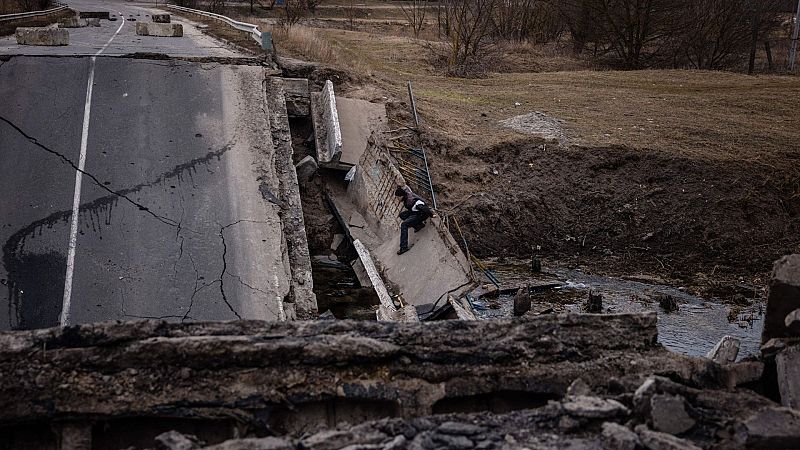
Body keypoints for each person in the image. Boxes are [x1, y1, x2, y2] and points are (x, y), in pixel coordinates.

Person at [394, 185, 433, 255]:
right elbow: (406, 187)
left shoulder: (411, 200)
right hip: (414, 212)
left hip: (420, 214)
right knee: (402, 215)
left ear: (401, 196)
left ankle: (403, 247)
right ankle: (419, 226)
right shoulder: (406, 194)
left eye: (397, 197)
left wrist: (431, 215)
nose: (397, 199)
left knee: (404, 225)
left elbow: (423, 207)